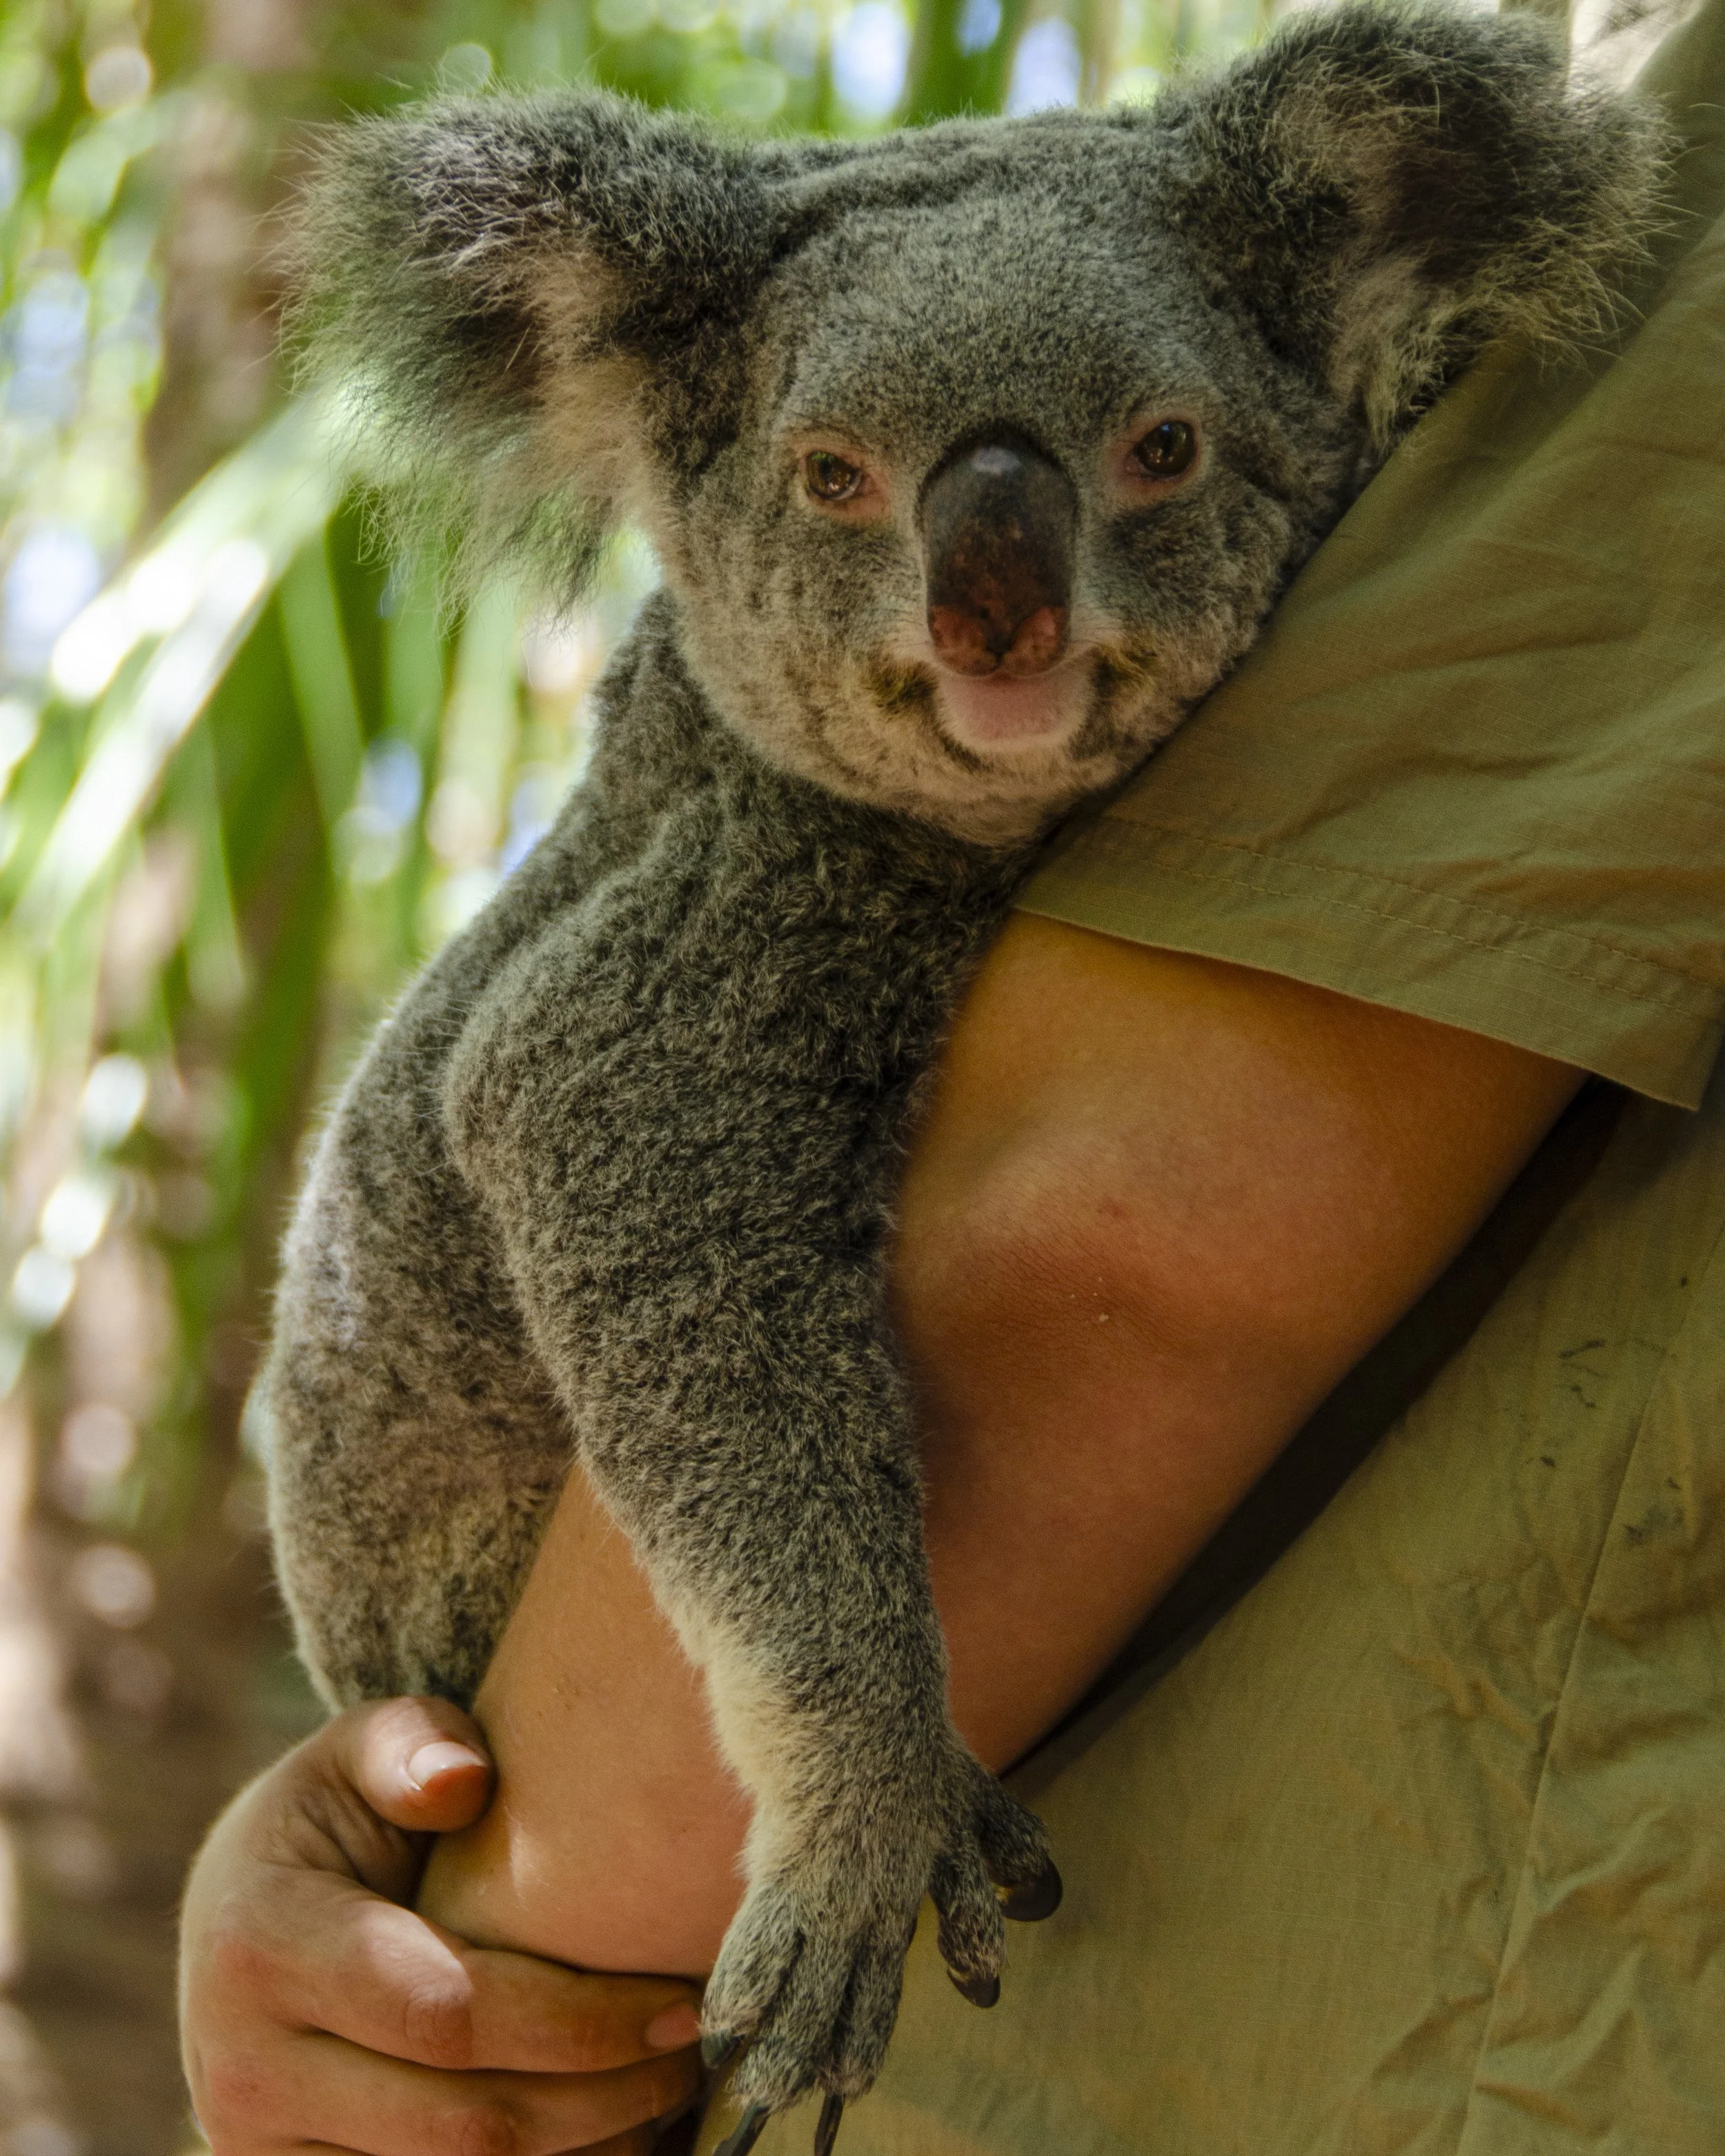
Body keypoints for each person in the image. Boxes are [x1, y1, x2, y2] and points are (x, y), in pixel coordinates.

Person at [178, 0, 1725, 2146]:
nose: (992, 593)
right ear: (688, 472)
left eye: (1153, 457)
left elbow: (1103, 1251)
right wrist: (816, 1769)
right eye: (838, 484)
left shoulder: (1612, 224)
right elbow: (660, 1172)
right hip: (580, 1690)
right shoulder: (789, 837)